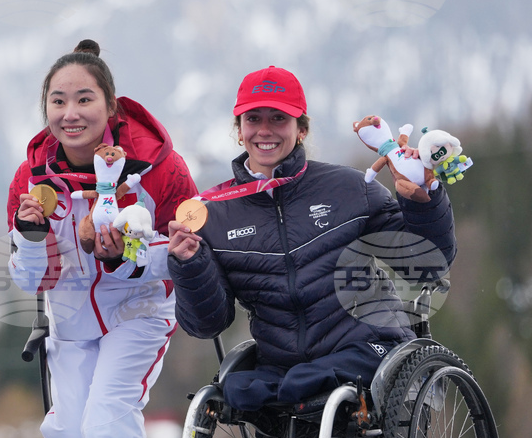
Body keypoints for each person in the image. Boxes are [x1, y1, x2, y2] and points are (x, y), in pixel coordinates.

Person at [167, 65, 455, 413]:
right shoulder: (213, 214)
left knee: (306, 382)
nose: (264, 130)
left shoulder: (350, 189)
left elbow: (425, 262)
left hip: (366, 347)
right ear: (239, 131)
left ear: (301, 129)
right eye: (253, 119)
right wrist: (189, 265)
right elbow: (207, 324)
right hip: (281, 365)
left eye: (278, 118)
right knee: (237, 388)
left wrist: (423, 199)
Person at [7, 39, 199, 438]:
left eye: (84, 99)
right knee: (69, 434)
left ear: (111, 106)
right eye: (58, 100)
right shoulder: (31, 178)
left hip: (138, 313)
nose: (71, 113)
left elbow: (187, 255)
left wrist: (123, 256)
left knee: (106, 419)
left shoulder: (161, 168)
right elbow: (31, 280)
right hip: (70, 321)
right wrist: (30, 237)